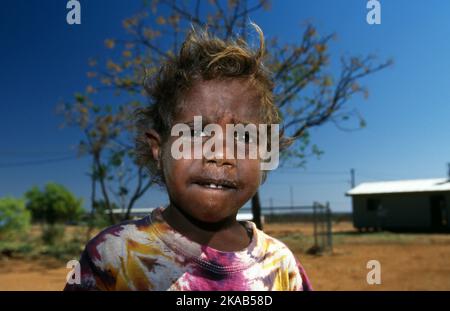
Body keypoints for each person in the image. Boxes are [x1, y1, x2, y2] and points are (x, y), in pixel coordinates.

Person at [64, 24, 312, 291]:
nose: (221, 153)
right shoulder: (114, 255)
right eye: (196, 132)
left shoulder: (281, 264)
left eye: (245, 137)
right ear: (158, 149)